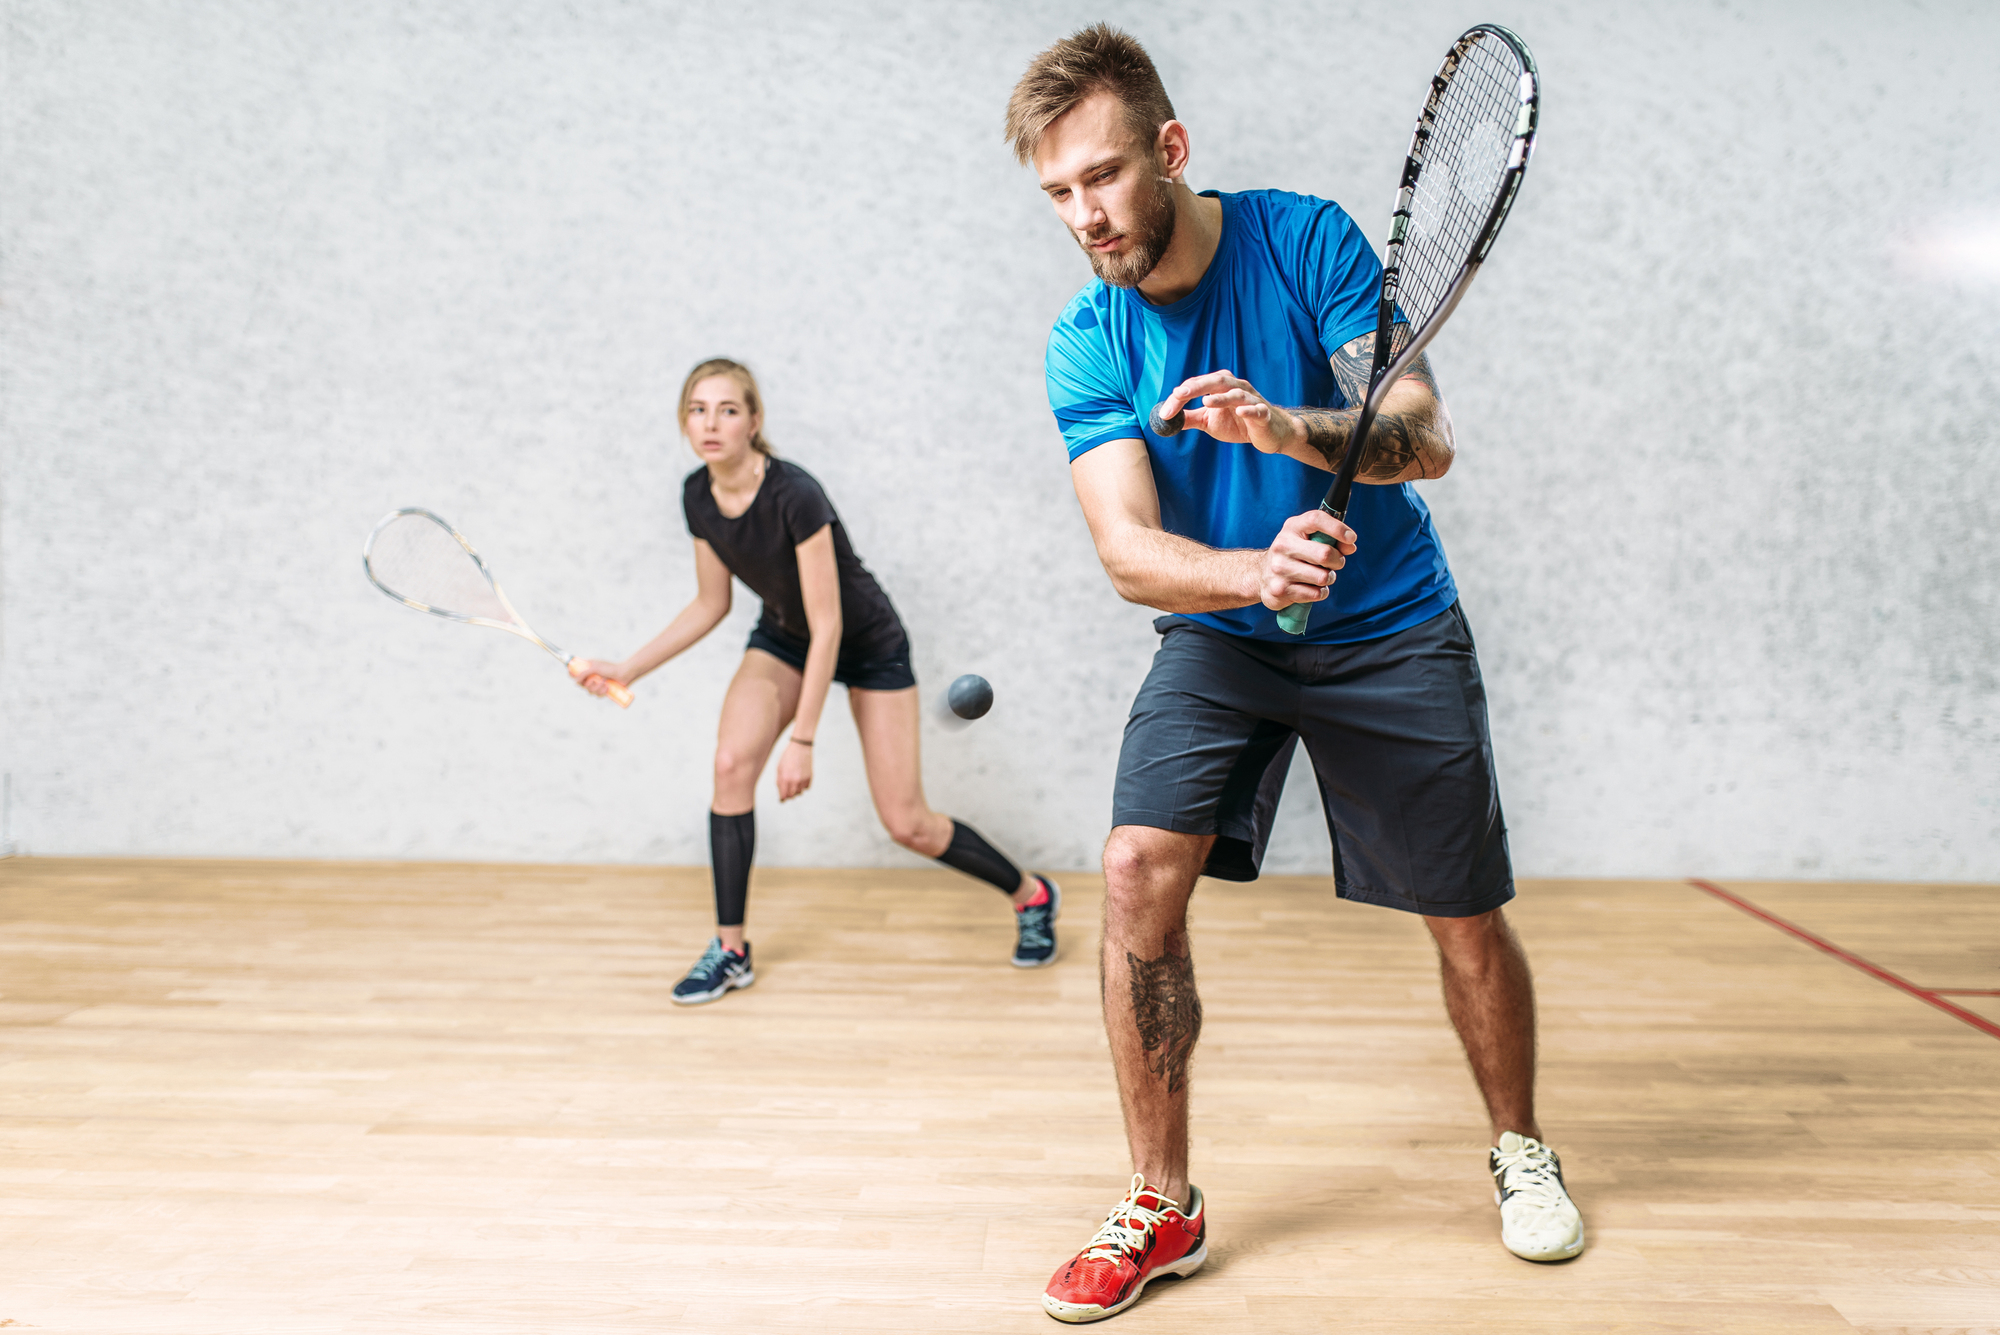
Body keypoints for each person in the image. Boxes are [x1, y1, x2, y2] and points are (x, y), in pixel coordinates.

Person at [1005, 25, 1585, 1323]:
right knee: (1135, 865)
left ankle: (1520, 1144)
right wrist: (1251, 574)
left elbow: (1421, 438)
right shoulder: (1088, 341)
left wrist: (1285, 424)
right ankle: (1164, 1199)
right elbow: (1130, 553)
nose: (1085, 214)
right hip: (1224, 639)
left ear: (1170, 148)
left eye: (1102, 175)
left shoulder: (1305, 240)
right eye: (1057, 191)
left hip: (1389, 622)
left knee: (1464, 910)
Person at [572, 358, 1059, 1002]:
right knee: (729, 765)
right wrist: (627, 667)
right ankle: (731, 949)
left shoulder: (794, 494)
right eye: (697, 410)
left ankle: (1032, 895)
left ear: (755, 421)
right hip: (783, 638)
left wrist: (802, 740)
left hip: (867, 645)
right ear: (683, 422)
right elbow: (710, 604)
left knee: (907, 823)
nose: (711, 423)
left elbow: (829, 625)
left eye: (728, 409)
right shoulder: (697, 494)